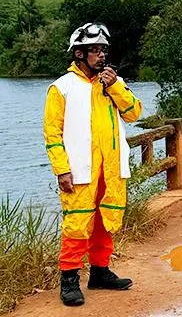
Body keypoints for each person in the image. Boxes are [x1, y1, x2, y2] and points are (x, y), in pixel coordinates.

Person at [43, 22, 143, 306]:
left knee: (106, 220)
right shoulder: (61, 88)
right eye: (95, 50)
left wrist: (115, 87)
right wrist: (61, 168)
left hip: (110, 168)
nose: (101, 56)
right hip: (79, 170)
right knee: (77, 224)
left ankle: (100, 272)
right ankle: (69, 280)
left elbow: (134, 113)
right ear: (79, 54)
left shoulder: (112, 83)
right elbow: (52, 133)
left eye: (103, 50)